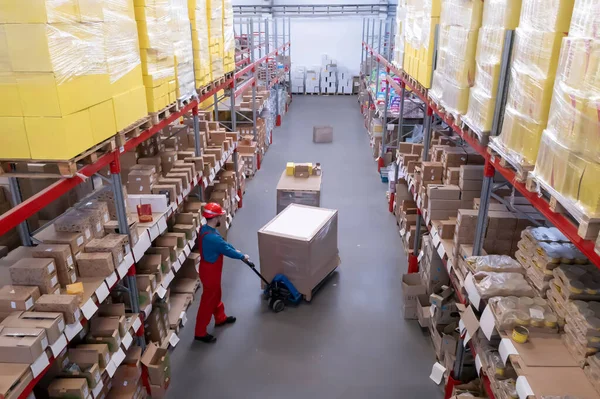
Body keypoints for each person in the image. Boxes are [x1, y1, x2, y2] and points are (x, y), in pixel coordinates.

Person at [194, 202, 249, 343]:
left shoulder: (206, 229)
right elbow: (225, 249)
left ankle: (220, 318)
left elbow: (224, 244)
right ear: (215, 218)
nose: (221, 218)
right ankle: (200, 332)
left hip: (210, 269)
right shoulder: (212, 238)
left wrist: (235, 250)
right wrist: (241, 256)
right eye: (219, 216)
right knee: (208, 301)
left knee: (216, 295)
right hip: (210, 272)